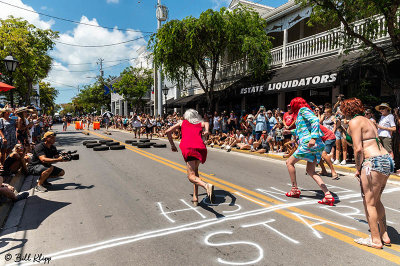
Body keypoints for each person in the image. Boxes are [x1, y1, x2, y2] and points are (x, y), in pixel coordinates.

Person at [341, 98, 394, 249]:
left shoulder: (355, 122)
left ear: (347, 110)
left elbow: (358, 149)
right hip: (386, 160)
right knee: (376, 201)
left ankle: (375, 240)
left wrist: (358, 168)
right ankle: (384, 235)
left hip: (373, 162)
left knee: (369, 202)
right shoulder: (369, 120)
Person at [284, 97, 334, 206]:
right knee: (311, 171)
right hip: (315, 144)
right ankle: (328, 195)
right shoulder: (302, 113)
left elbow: (315, 120)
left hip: (309, 143)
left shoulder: (303, 110)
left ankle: (294, 189)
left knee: (289, 162)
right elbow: (301, 129)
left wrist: (313, 138)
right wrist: (289, 131)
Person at [166, 109, 215, 206]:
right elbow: (206, 123)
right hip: (200, 148)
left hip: (189, 148)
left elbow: (168, 131)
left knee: (191, 176)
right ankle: (195, 197)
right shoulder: (199, 123)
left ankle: (206, 186)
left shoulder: (182, 123)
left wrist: (172, 145)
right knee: (195, 172)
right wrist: (206, 131)